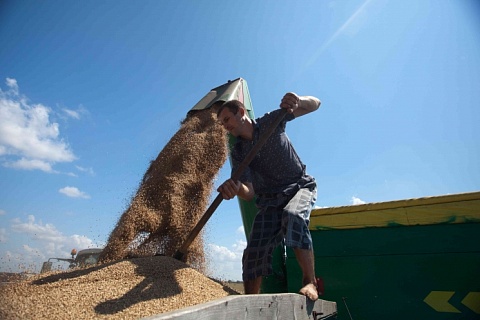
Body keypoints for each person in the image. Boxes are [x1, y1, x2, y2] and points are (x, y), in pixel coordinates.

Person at [216, 92, 321, 300]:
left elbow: (316, 104)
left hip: (298, 186)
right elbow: (249, 193)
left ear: (241, 112)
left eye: (226, 119)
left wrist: (299, 100)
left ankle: (310, 282)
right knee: (254, 248)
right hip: (270, 200)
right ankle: (249, 300)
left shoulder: (271, 120)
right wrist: (237, 189)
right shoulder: (238, 152)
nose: (225, 126)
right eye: (222, 123)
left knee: (293, 216)